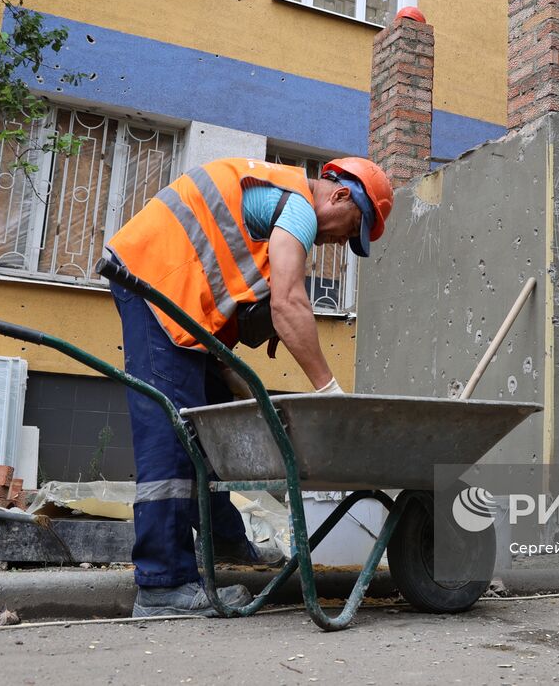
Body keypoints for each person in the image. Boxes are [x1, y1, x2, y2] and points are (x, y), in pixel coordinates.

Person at [104, 156, 394, 618]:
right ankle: (162, 584)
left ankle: (227, 544)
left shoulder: (279, 204)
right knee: (171, 431)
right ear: (339, 195)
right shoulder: (298, 208)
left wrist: (243, 345)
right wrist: (327, 391)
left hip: (177, 293)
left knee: (214, 423)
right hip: (155, 279)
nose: (341, 241)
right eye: (351, 227)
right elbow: (290, 301)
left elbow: (243, 281)